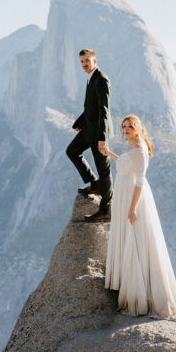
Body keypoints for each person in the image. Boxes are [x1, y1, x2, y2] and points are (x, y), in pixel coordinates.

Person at [103, 115, 176, 320]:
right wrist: (109, 153)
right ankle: (126, 286)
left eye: (130, 127)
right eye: (124, 127)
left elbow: (139, 181)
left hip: (132, 197)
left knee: (135, 241)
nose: (126, 130)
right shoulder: (131, 146)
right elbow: (124, 165)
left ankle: (138, 296)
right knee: (129, 239)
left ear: (138, 128)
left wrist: (133, 208)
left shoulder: (139, 149)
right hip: (123, 194)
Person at [66, 48, 113, 222]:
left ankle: (106, 210)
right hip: (89, 129)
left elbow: (103, 110)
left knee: (104, 170)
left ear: (95, 60)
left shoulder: (101, 79)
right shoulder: (91, 77)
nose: (84, 64)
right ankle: (94, 183)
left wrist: (102, 138)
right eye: (81, 62)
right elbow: (90, 107)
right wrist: (81, 121)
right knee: (72, 151)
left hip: (98, 133)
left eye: (87, 60)